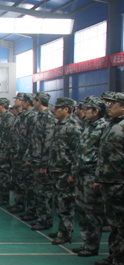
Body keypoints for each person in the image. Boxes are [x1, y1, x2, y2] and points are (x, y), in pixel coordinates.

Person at [73, 97, 108, 257]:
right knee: (82, 210)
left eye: (88, 109)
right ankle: (86, 242)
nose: (85, 111)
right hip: (81, 173)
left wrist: (98, 177)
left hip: (92, 175)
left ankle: (93, 245)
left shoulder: (103, 127)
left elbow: (103, 155)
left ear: (96, 111)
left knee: (93, 212)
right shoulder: (87, 125)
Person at [94, 92, 124, 265]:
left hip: (120, 182)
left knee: (121, 225)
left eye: (114, 103)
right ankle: (113, 254)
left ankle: (121, 261)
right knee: (113, 223)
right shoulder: (111, 125)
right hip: (108, 181)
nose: (109, 106)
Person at [48, 97, 81, 245]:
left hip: (65, 172)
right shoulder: (59, 125)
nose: (54, 110)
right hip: (57, 170)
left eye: (57, 108)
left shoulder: (73, 127)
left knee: (66, 204)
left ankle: (66, 234)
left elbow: (77, 153)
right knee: (59, 203)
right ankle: (62, 229)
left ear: (66, 109)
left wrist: (72, 174)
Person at [24, 92, 56, 231]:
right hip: (35, 160)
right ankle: (41, 217)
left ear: (39, 101)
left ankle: (46, 220)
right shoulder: (40, 116)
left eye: (35, 100)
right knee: (38, 191)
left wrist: (44, 164)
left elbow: (48, 143)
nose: (34, 102)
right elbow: (34, 140)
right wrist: (30, 157)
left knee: (44, 193)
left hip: (42, 162)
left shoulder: (48, 118)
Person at [17, 93, 40, 221]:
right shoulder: (25, 116)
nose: (21, 103)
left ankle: (33, 211)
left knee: (31, 185)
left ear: (27, 102)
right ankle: (27, 208)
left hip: (29, 155)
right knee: (24, 183)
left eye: (22, 101)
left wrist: (29, 156)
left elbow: (33, 139)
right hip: (23, 153)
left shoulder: (33, 116)